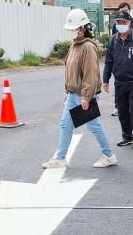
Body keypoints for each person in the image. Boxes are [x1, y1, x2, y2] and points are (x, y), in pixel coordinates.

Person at [42, 9, 117, 169]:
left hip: (85, 95)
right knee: (65, 124)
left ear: (83, 28)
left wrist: (86, 97)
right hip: (73, 94)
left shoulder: (88, 47)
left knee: (93, 126)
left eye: (73, 28)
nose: (71, 31)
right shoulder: (75, 45)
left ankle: (109, 155)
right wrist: (67, 91)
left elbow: (91, 74)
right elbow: (70, 70)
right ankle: (60, 158)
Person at [103, 11, 133, 150]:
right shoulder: (113, 40)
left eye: (124, 22)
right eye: (118, 22)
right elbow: (109, 60)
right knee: (122, 110)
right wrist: (106, 79)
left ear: (130, 23)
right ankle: (126, 136)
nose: (121, 25)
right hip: (119, 82)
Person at [110, 2, 133, 117]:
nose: (124, 12)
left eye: (126, 10)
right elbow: (114, 41)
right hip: (119, 61)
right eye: (121, 10)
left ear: (130, 11)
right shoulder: (116, 26)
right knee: (118, 84)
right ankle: (117, 106)